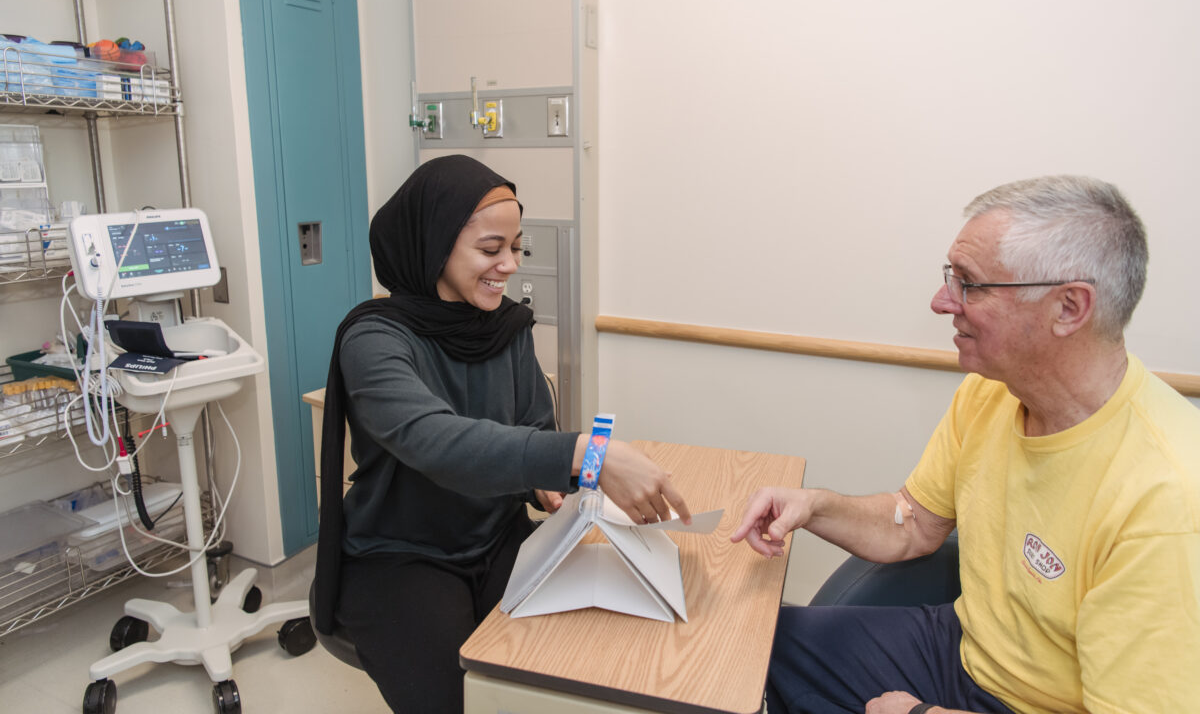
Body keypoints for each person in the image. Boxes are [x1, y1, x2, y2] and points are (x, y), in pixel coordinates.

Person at [732, 175, 1200, 714]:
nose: (940, 302)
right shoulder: (991, 392)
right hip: (964, 650)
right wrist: (813, 505)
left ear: (1069, 308)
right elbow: (913, 524)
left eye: (970, 284)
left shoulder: (1168, 497)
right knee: (753, 644)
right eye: (949, 278)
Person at [312, 155, 690, 713]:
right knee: (462, 699)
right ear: (433, 244)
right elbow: (439, 444)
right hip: (403, 556)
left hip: (496, 537)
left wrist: (542, 485)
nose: (509, 265)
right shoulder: (373, 340)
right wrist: (586, 453)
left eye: (517, 248)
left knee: (571, 669)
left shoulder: (505, 326)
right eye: (491, 250)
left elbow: (532, 424)